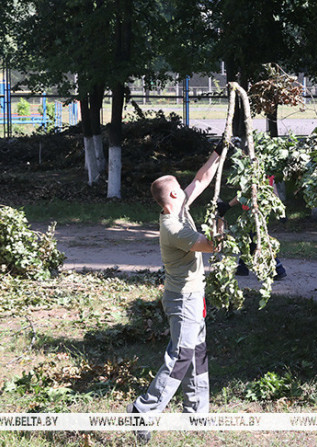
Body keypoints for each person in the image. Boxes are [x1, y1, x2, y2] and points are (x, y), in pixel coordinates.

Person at [126, 144, 223, 443]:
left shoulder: (180, 209)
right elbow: (211, 246)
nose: (185, 189)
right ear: (171, 195)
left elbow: (202, 179)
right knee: (181, 355)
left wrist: (220, 151)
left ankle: (197, 415)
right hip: (183, 300)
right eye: (179, 188)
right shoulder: (172, 227)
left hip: (195, 296)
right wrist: (223, 217)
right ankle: (143, 410)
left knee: (197, 354)